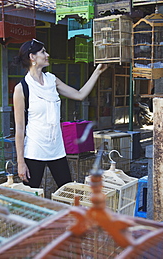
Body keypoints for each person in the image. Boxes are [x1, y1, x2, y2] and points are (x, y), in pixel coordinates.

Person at [13, 39, 108, 188]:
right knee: (31, 198)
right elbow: (19, 129)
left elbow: (79, 94)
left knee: (68, 192)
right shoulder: (22, 88)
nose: (47, 54)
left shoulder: (52, 80)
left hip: (57, 149)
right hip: (34, 150)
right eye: (43, 52)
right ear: (32, 57)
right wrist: (20, 163)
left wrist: (98, 72)